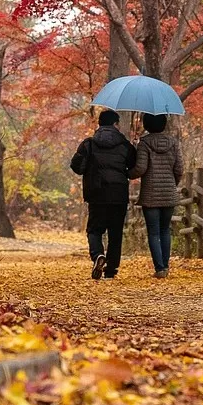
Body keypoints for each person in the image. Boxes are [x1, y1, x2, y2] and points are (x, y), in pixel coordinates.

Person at [70, 110, 136, 280]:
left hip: (96, 193)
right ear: (115, 124)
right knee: (115, 232)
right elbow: (133, 166)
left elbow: (77, 166)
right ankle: (111, 269)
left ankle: (98, 255)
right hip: (118, 194)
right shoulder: (125, 145)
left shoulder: (89, 144)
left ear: (99, 124)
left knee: (94, 229)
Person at [129, 113, 183, 278]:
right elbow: (179, 169)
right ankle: (165, 266)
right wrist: (172, 184)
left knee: (153, 232)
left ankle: (159, 268)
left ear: (146, 124)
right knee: (165, 230)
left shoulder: (144, 143)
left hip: (151, 195)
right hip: (168, 193)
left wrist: (128, 173)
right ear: (163, 124)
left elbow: (140, 169)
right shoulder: (173, 143)